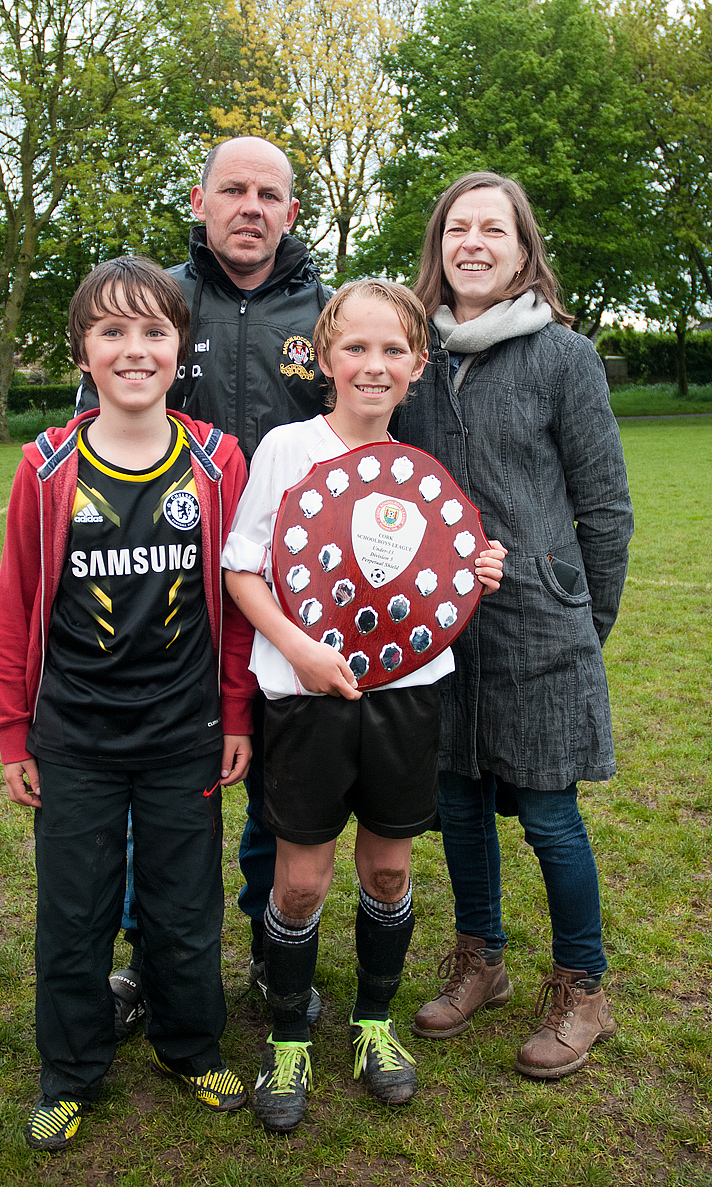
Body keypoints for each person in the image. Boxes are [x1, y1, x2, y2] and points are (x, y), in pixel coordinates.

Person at [222, 279, 507, 1131]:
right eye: (356, 348)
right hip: (305, 703)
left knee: (388, 869)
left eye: (392, 351)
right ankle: (287, 1036)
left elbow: (433, 577)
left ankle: (375, 1024)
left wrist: (475, 573)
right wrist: (300, 649)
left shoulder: (424, 468)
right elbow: (243, 570)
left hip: (407, 699)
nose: (373, 366)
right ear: (323, 359)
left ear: (418, 365)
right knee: (300, 882)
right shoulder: (285, 448)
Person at [0, 256, 256, 1151]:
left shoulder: (219, 462)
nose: (134, 348)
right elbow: (18, 599)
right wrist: (14, 729)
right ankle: (69, 1068)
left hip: (185, 735)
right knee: (75, 913)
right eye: (112, 331)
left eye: (153, 330)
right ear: (84, 350)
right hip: (77, 738)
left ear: (180, 348)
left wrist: (238, 713)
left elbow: (240, 601)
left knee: (185, 910)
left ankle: (191, 1043)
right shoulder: (48, 464)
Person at [78, 138, 331, 1027]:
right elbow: (90, 448)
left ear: (290, 212)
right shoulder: (159, 304)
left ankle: (272, 945)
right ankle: (147, 960)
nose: (251, 206)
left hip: (287, 601)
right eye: (234, 190)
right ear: (202, 200)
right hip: (167, 597)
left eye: (269, 193)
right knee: (166, 786)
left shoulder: (326, 312)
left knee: (275, 784)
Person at [394, 172, 634, 1079]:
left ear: (523, 247)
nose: (474, 242)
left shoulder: (562, 357)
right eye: (459, 227)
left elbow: (605, 509)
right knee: (457, 804)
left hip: (542, 628)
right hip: (440, 627)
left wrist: (583, 619)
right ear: (440, 246)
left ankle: (584, 988)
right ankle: (480, 960)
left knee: (548, 816)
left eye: (494, 228)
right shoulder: (417, 357)